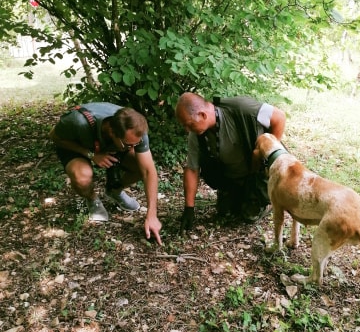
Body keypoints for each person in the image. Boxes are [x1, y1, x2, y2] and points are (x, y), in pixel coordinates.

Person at [49, 102, 162, 245]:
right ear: (111, 131)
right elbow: (54, 136)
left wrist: (152, 214)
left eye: (136, 144)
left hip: (107, 147)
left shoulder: (135, 131)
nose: (133, 147)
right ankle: (91, 198)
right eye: (129, 145)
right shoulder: (77, 122)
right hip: (79, 146)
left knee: (141, 166)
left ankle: (114, 191)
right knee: (82, 177)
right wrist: (91, 154)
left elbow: (148, 171)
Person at [175, 92, 286, 232]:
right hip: (233, 176)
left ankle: (267, 200)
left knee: (249, 216)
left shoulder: (242, 108)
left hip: (257, 172)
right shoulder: (196, 134)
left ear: (202, 115)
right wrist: (189, 208)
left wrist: (268, 150)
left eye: (189, 124)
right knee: (225, 212)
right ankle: (237, 192)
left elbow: (279, 117)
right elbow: (192, 168)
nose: (187, 129)